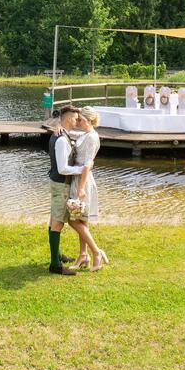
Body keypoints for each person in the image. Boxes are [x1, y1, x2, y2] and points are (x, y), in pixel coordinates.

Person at [47, 105, 87, 276]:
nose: (77, 120)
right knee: (58, 222)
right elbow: (63, 168)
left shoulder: (62, 134)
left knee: (54, 219)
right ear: (67, 118)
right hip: (61, 183)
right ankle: (55, 265)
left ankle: (57, 255)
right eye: (75, 117)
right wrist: (82, 170)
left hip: (57, 183)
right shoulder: (62, 140)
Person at [67, 107, 108, 271]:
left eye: (81, 120)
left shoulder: (92, 137)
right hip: (77, 177)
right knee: (81, 220)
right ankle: (83, 255)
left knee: (73, 219)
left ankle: (96, 252)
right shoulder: (85, 134)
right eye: (77, 120)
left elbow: (87, 165)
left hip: (82, 180)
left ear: (90, 121)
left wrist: (81, 188)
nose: (78, 122)